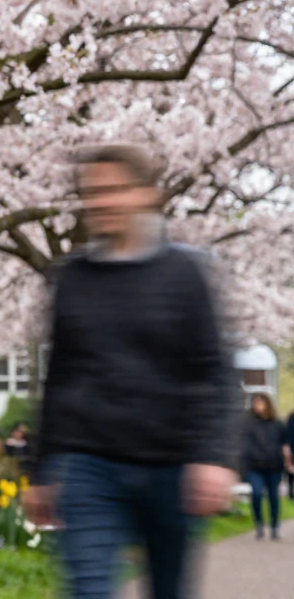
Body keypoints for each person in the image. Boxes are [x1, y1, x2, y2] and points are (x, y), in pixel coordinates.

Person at [23, 143, 237, 599]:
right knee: (90, 590)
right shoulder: (72, 278)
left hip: (172, 468)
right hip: (89, 467)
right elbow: (58, 377)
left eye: (114, 190)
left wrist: (213, 456)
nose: (100, 202)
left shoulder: (186, 273)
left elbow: (214, 371)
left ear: (147, 194)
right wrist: (39, 472)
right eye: (91, 192)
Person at [239, 393, 291, 540]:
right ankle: (259, 525)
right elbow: (243, 444)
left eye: (260, 403)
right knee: (256, 494)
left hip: (273, 465)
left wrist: (288, 462)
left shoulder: (278, 424)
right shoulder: (248, 423)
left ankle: (274, 527)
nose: (258, 406)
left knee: (273, 496)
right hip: (254, 466)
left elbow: (285, 445)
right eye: (255, 403)